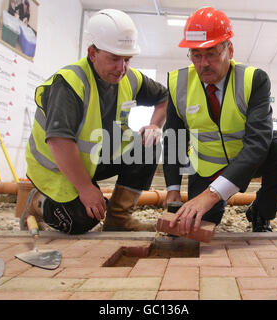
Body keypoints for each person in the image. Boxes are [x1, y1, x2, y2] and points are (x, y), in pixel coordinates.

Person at [21, 9, 167, 234]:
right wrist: (85, 188)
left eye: (127, 59)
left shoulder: (129, 77)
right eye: (114, 59)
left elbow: (164, 97)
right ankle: (38, 202)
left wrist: (155, 125)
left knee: (151, 142)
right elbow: (59, 141)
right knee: (81, 220)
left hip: (95, 159)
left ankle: (118, 218)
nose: (122, 68)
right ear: (92, 53)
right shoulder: (70, 84)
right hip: (57, 167)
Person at [162, 7, 277, 234]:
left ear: (230, 49)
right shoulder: (178, 83)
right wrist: (172, 189)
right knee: (200, 219)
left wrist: (211, 194)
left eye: (211, 53)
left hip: (249, 161)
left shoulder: (253, 80)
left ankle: (261, 212)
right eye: (196, 55)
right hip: (208, 168)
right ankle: (214, 201)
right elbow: (174, 140)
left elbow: (257, 144)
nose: (203, 63)